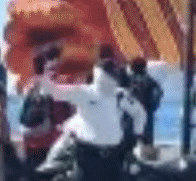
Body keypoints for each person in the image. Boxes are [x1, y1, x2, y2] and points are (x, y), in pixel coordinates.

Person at [32, 50, 146, 181]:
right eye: (109, 73)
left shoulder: (120, 95)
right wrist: (40, 74)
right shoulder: (85, 93)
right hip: (88, 156)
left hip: (113, 157)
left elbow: (139, 113)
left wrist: (136, 135)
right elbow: (54, 91)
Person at [126, 57, 163, 150]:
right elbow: (159, 93)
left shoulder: (127, 80)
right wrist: (153, 107)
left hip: (130, 115)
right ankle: (147, 159)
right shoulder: (150, 80)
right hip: (146, 113)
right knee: (147, 141)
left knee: (130, 141)